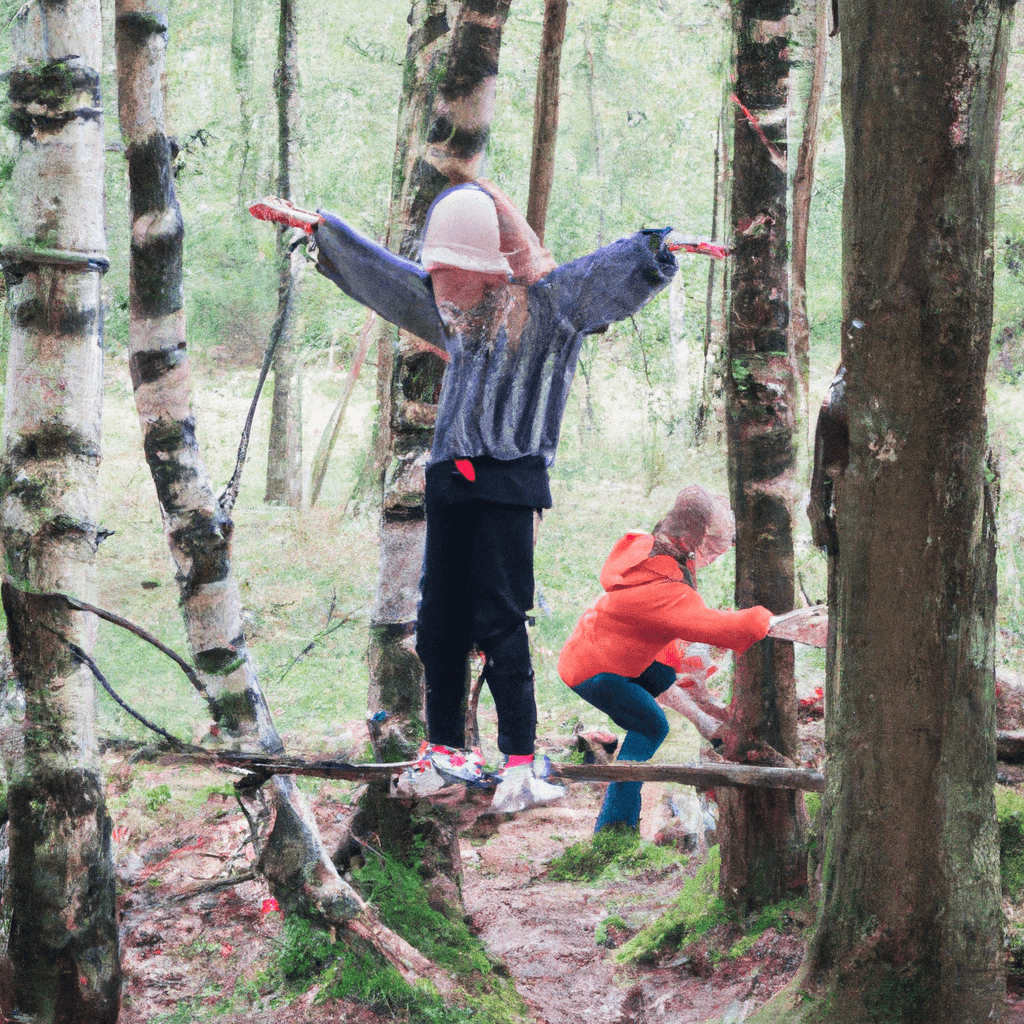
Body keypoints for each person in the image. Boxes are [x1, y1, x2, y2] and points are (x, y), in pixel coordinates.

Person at [305, 181, 679, 811]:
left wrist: (660, 247)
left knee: (501, 621)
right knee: (438, 623)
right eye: (439, 272)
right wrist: (322, 231)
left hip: (507, 482)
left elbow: (604, 273)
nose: (443, 285)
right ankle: (448, 749)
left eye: (455, 271)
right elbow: (386, 279)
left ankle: (522, 761)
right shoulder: (449, 313)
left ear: (488, 268)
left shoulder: (551, 308)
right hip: (450, 480)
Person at [557, 485, 774, 832]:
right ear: (693, 538)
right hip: (595, 671)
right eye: (714, 545)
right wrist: (767, 619)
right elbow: (717, 628)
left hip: (596, 649)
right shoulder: (666, 591)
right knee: (651, 726)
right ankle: (615, 826)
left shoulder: (645, 549)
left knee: (661, 677)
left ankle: (710, 726)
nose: (717, 553)